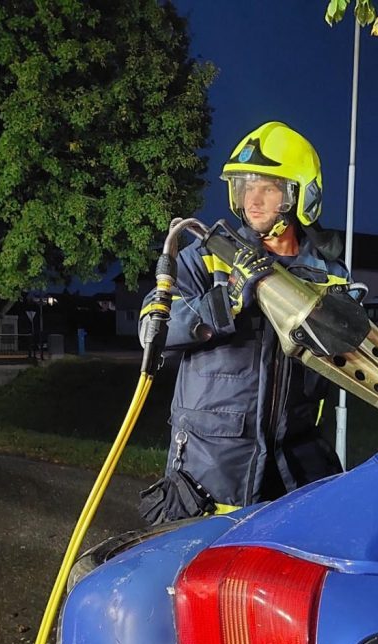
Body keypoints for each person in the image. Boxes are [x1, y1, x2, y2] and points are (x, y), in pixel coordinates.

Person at [146, 121, 349, 511]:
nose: (252, 200)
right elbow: (153, 331)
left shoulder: (331, 275)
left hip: (295, 464)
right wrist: (229, 299)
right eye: (245, 187)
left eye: (267, 189)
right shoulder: (204, 258)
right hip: (208, 471)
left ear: (299, 195)